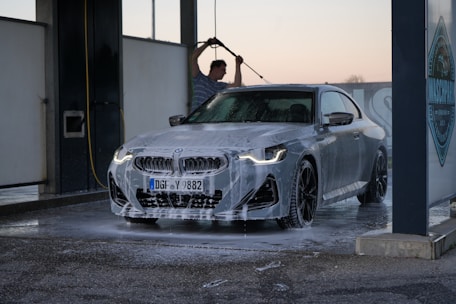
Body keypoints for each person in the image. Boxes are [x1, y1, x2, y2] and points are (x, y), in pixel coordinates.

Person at [191, 37, 243, 111]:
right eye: (223, 70)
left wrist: (238, 65)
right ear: (215, 68)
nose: (225, 73)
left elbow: (237, 85)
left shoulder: (221, 86)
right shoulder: (199, 78)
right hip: (196, 118)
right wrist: (207, 43)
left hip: (210, 120)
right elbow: (193, 58)